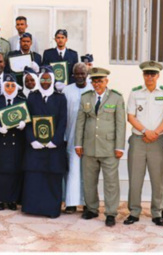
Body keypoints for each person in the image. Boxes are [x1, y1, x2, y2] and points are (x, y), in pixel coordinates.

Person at [75, 67, 126, 227]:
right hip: (89, 146)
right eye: (94, 81)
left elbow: (121, 124)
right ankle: (91, 208)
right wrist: (78, 143)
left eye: (100, 81)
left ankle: (110, 213)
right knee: (89, 180)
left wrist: (120, 147)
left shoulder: (116, 98)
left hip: (109, 148)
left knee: (111, 182)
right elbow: (80, 121)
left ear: (106, 81)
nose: (97, 84)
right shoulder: (86, 97)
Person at [125, 60, 163, 226]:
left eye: (153, 74)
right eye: (147, 73)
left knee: (157, 179)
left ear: (158, 75)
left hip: (158, 141)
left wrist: (155, 133)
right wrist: (146, 132)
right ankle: (134, 212)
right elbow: (130, 116)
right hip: (139, 140)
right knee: (135, 178)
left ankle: (157, 212)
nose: (150, 76)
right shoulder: (135, 92)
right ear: (143, 75)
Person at [21, 66, 67, 218]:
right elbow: (27, 120)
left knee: (52, 177)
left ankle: (51, 209)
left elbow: (63, 121)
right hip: (35, 147)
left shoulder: (60, 98)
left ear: (52, 80)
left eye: (48, 79)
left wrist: (55, 140)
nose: (45, 82)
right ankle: (32, 208)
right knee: (35, 177)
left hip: (53, 147)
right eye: (42, 79)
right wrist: (32, 140)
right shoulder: (32, 97)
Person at [0, 74, 26, 211]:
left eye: (12, 86)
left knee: (14, 172)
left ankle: (12, 199)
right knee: (0, 172)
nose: (9, 88)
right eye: (7, 86)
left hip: (16, 142)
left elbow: (28, 118)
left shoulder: (22, 101)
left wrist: (23, 125)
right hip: (0, 142)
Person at [62, 63, 93, 214]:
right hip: (71, 136)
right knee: (73, 171)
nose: (80, 76)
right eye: (77, 74)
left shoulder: (93, 90)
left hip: (90, 138)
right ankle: (71, 203)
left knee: (88, 171)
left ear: (87, 75)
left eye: (83, 74)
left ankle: (88, 202)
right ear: (73, 75)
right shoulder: (67, 91)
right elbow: (63, 116)